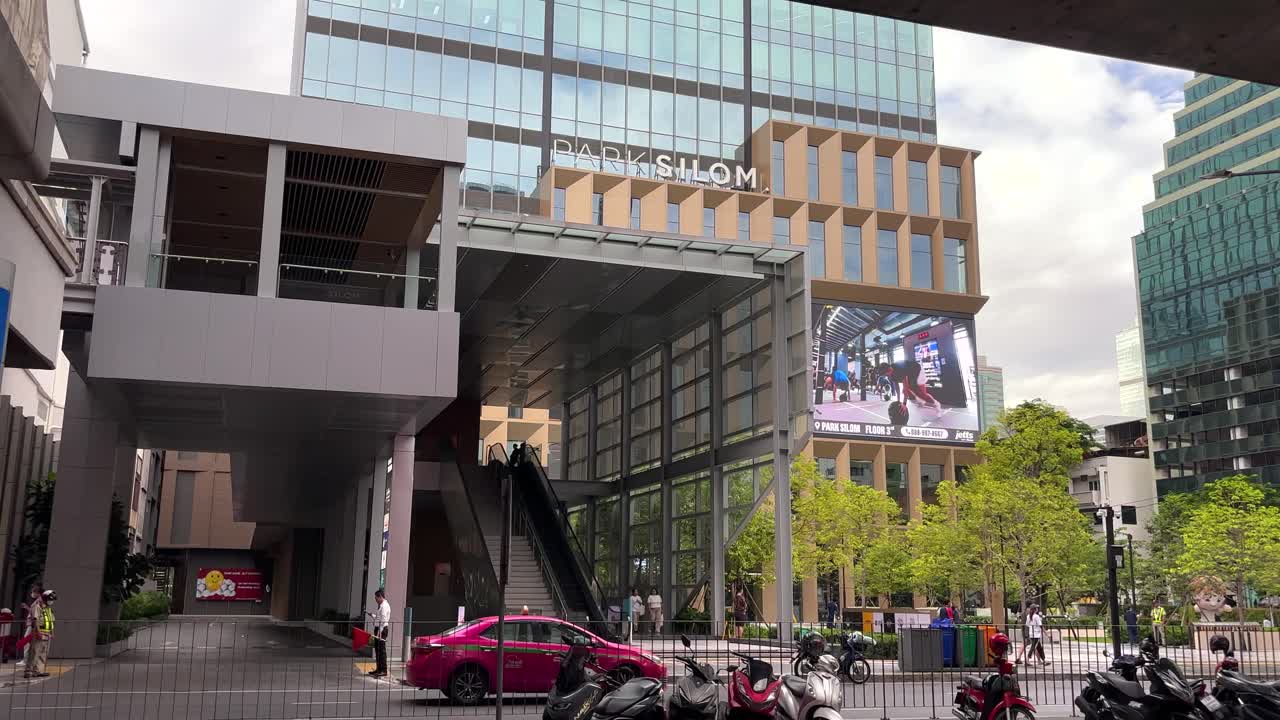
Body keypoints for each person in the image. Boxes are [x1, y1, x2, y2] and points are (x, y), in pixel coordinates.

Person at [878, 361, 943, 414]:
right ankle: (920, 399)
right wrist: (898, 401)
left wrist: (904, 404)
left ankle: (936, 403)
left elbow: (905, 388)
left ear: (889, 370)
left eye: (886, 374)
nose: (886, 376)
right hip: (910, 374)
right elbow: (897, 387)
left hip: (918, 370)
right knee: (911, 389)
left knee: (922, 394)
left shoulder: (899, 370)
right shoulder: (891, 375)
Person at [26, 590, 54, 679]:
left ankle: (38, 671)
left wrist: (52, 632)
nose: (51, 601)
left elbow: (51, 621)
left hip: (47, 633)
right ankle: (28, 671)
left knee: (43, 653)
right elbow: (35, 620)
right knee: (34, 652)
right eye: (50, 599)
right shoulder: (38, 606)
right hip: (39, 632)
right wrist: (37, 632)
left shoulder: (48, 608)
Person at [366, 588, 392, 678]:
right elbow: (379, 618)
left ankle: (383, 670)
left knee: (381, 650)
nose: (376, 600)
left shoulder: (384, 606)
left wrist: (379, 633)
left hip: (382, 630)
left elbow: (383, 620)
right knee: (377, 650)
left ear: (380, 597)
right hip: (379, 629)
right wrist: (372, 615)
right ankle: (379, 668)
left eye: (376, 598)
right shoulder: (381, 606)